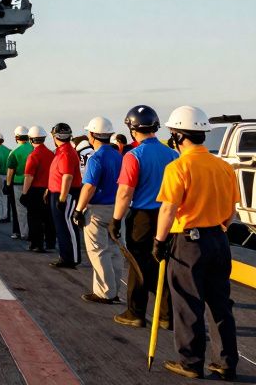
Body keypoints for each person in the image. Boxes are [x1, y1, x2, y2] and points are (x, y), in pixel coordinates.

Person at [154, 106, 240, 381]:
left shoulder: (178, 167)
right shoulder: (224, 166)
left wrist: (159, 241)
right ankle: (226, 363)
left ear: (179, 136)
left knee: (188, 304)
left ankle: (191, 362)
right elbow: (232, 212)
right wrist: (218, 229)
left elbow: (168, 209)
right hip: (219, 239)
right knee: (220, 303)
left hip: (189, 242)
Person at [111, 104, 178, 329]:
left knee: (138, 264)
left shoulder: (134, 155)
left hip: (142, 217)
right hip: (167, 216)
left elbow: (125, 192)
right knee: (163, 264)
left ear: (132, 129)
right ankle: (167, 316)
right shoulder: (172, 154)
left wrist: (116, 220)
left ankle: (135, 312)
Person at [72, 116, 122, 304]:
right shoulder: (118, 156)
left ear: (92, 135)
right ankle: (114, 289)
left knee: (98, 251)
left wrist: (78, 209)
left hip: (97, 210)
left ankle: (104, 293)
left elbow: (89, 187)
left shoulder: (96, 158)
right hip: (116, 209)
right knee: (114, 250)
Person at [48, 122, 83, 268]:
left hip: (66, 194)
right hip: (58, 192)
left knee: (68, 225)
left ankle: (72, 258)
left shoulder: (66, 153)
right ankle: (65, 256)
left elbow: (67, 176)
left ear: (55, 136)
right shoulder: (62, 151)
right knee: (61, 226)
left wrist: (62, 198)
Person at [23, 126, 55, 253]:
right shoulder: (51, 154)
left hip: (36, 190)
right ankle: (50, 243)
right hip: (49, 189)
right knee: (47, 218)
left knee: (34, 218)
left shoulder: (33, 155)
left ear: (31, 140)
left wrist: (24, 193)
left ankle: (36, 244)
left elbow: (29, 176)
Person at [6, 126, 33, 241]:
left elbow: (11, 171)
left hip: (18, 183)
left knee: (20, 209)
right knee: (31, 209)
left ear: (16, 137)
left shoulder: (14, 152)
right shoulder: (33, 149)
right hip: (32, 183)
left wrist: (7, 185)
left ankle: (23, 233)